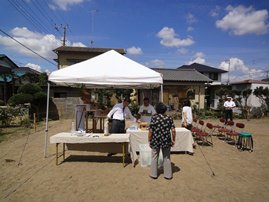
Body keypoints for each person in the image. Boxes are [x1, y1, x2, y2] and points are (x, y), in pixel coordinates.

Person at [148, 102, 176, 180]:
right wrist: (173, 140)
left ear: (156, 110)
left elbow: (150, 131)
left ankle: (153, 174)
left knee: (154, 157)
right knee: (166, 157)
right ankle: (168, 175)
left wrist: (149, 139)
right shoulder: (169, 118)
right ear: (165, 110)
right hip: (166, 140)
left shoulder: (154, 118)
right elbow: (173, 130)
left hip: (155, 140)